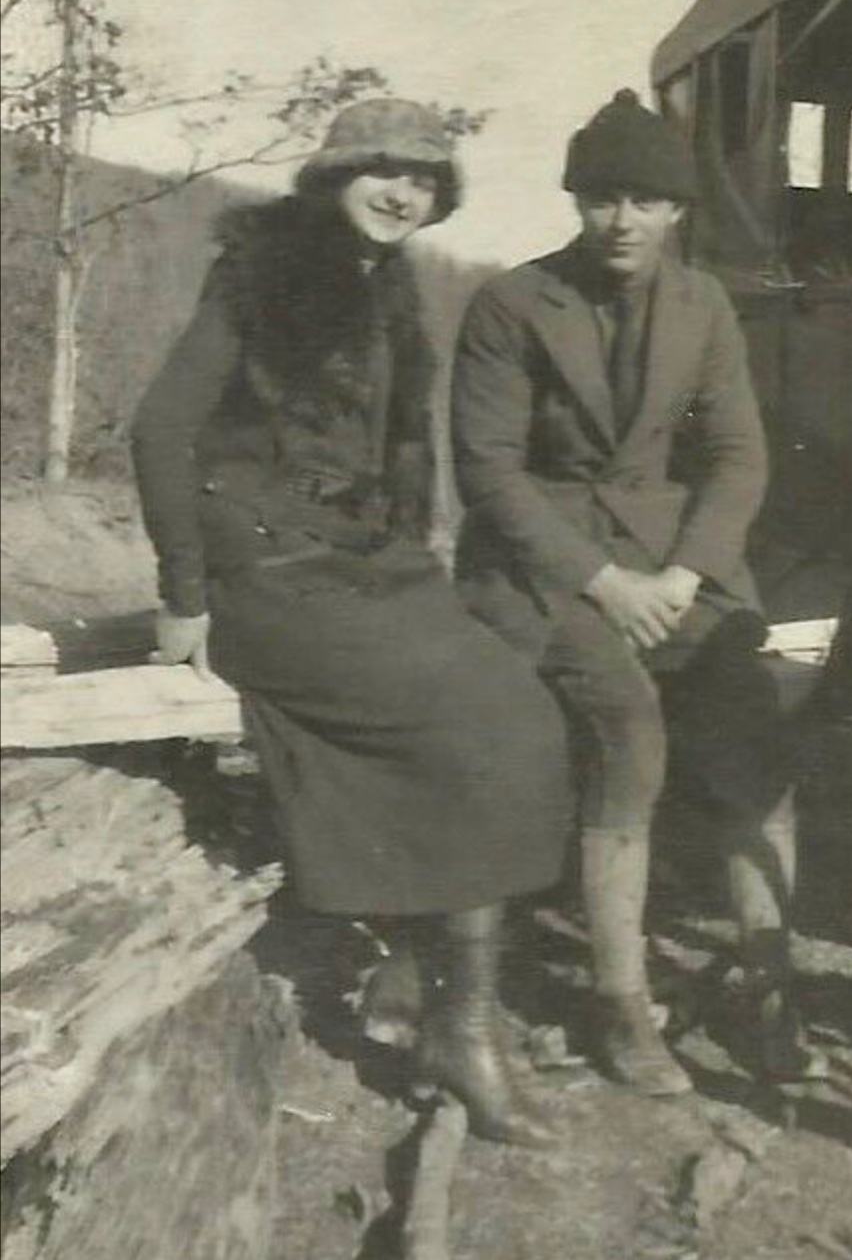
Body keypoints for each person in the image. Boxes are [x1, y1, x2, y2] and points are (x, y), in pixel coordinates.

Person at [131, 99, 572, 1149]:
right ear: (332, 176)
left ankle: (425, 991)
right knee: (479, 718)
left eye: (423, 180)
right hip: (262, 571)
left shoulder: (391, 288)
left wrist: (411, 563)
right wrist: (184, 594)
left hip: (359, 567)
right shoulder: (260, 273)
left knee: (519, 709)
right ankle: (460, 1026)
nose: (401, 194)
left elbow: (395, 459)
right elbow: (159, 430)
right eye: (381, 171)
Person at [451, 89, 804, 1097]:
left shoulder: (704, 305)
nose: (622, 220)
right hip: (540, 566)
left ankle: (770, 985)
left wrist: (685, 573)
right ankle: (620, 1005)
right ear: (575, 201)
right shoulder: (512, 303)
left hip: (671, 562)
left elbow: (736, 456)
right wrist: (603, 582)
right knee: (626, 722)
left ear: (677, 210)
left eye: (646, 200)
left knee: (750, 720)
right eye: (603, 197)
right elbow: (488, 472)